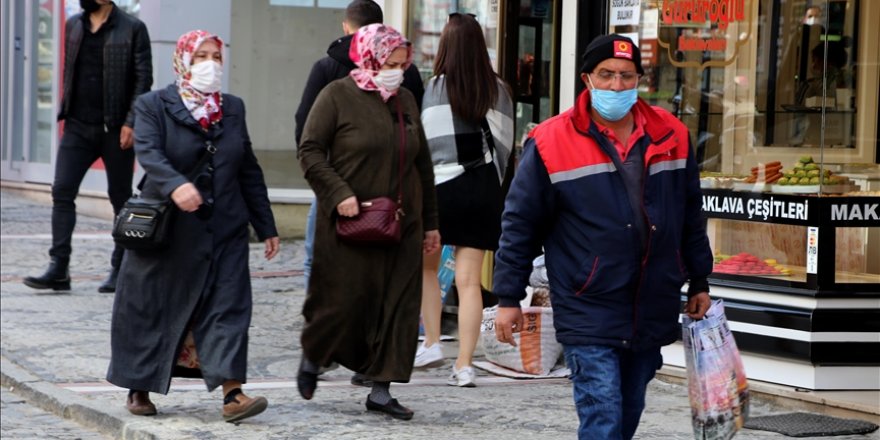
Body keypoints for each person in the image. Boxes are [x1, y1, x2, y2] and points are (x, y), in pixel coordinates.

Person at [491, 34, 713, 440]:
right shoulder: (551, 140)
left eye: (627, 77)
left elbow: (689, 214)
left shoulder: (672, 134)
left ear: (639, 80)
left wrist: (699, 279)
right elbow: (520, 222)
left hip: (652, 297)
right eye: (606, 75)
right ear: (587, 79)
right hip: (587, 298)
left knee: (628, 408)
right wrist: (509, 297)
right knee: (602, 411)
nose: (616, 86)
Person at [106, 30, 280, 424]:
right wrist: (177, 184)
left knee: (229, 306)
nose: (210, 64)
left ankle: (232, 393)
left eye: (216, 56)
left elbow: (247, 168)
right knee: (153, 307)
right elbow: (148, 151)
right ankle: (139, 386)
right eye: (201, 55)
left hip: (226, 227)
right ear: (183, 60)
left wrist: (265, 224)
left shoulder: (233, 107)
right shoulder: (153, 105)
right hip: (168, 228)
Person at [296, 23, 439, 421]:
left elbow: (422, 163)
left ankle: (380, 388)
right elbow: (309, 150)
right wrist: (339, 193)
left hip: (402, 222)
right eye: (389, 63)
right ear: (369, 57)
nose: (396, 70)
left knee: (398, 305)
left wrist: (431, 222)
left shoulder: (406, 99)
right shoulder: (336, 95)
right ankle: (315, 355)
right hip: (349, 222)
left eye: (401, 63)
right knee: (344, 302)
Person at [24, 0, 152, 293]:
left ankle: (120, 268)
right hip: (77, 127)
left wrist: (132, 121)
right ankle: (58, 268)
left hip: (116, 128)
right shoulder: (74, 25)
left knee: (120, 197)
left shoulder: (133, 29)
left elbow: (143, 80)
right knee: (62, 190)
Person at [416, 13, 514, 388]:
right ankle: (465, 365)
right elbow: (505, 149)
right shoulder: (498, 88)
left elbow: (427, 147)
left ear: (445, 46)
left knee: (427, 269)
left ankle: (432, 342)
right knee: (470, 282)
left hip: (441, 191)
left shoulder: (435, 86)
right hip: (481, 191)